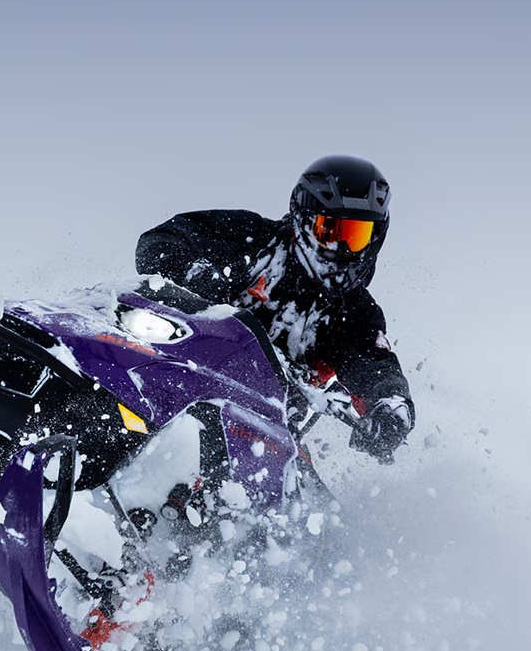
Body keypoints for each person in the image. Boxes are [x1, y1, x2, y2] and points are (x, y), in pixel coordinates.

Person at [136, 155, 414, 463]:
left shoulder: (355, 312)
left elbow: (376, 368)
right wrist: (195, 277)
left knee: (310, 494)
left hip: (264, 436)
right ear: (303, 220)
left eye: (354, 236)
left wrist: (390, 411)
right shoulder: (248, 238)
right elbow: (162, 241)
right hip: (171, 375)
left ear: (375, 238)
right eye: (330, 232)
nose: (341, 248)